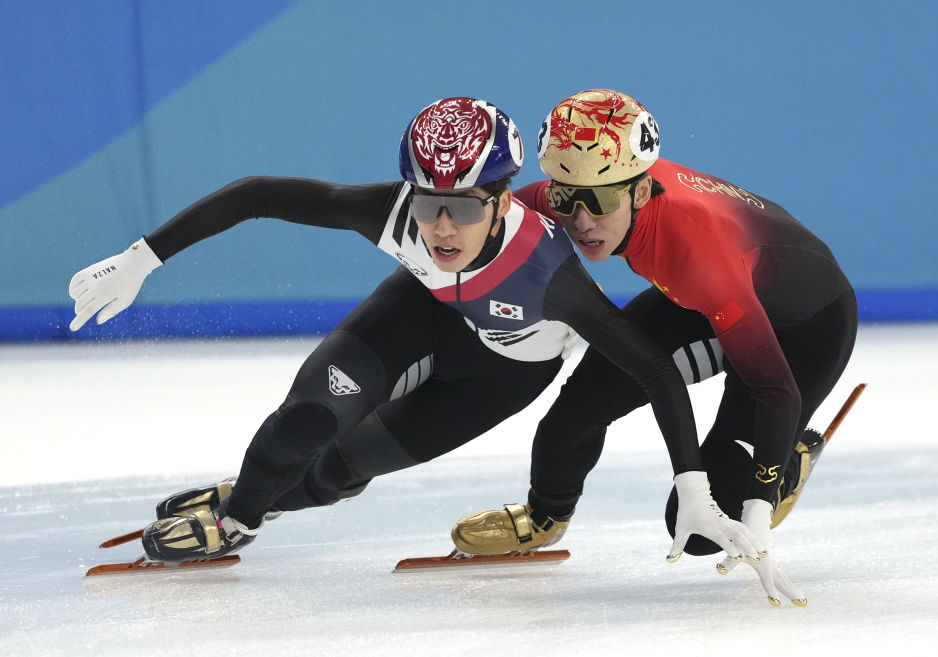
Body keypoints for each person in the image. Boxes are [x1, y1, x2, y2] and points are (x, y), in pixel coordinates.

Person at [68, 97, 762, 567]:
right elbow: (258, 195)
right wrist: (141, 258)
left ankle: (263, 491)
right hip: (423, 313)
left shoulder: (550, 276)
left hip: (504, 373)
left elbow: (653, 369)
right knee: (310, 418)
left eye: (465, 209)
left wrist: (694, 486)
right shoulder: (393, 213)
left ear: (501, 201)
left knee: (340, 469)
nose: (443, 229)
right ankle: (238, 517)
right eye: (429, 207)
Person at [451, 90, 858, 607]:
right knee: (572, 416)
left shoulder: (696, 252)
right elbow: (476, 216)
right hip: (703, 301)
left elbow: (776, 391)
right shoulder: (586, 185)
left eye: (600, 202)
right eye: (565, 199)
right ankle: (545, 516)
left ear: (641, 191)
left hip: (803, 329)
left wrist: (758, 509)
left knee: (706, 529)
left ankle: (789, 466)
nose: (580, 221)